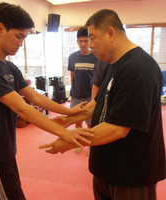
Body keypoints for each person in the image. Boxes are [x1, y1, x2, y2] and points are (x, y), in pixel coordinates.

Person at [0, 3, 93, 200]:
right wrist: (65, 133)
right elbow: (22, 108)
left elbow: (34, 97)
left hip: (5, 149)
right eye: (19, 36)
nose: (21, 43)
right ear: (0, 29)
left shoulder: (9, 66)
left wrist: (70, 112)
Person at [40, 9, 166, 200]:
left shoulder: (138, 69)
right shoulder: (114, 63)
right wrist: (68, 120)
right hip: (107, 168)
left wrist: (68, 141)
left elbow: (118, 129)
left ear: (110, 33)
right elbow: (98, 102)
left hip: (131, 173)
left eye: (92, 38)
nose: (89, 46)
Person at [68, 27, 98, 154]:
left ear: (90, 41)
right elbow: (72, 76)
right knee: (77, 122)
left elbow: (98, 79)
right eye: (81, 41)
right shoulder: (73, 57)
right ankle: (79, 143)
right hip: (76, 96)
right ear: (77, 42)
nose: (83, 44)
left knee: (90, 125)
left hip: (90, 96)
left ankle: (90, 145)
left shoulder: (95, 57)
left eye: (86, 41)